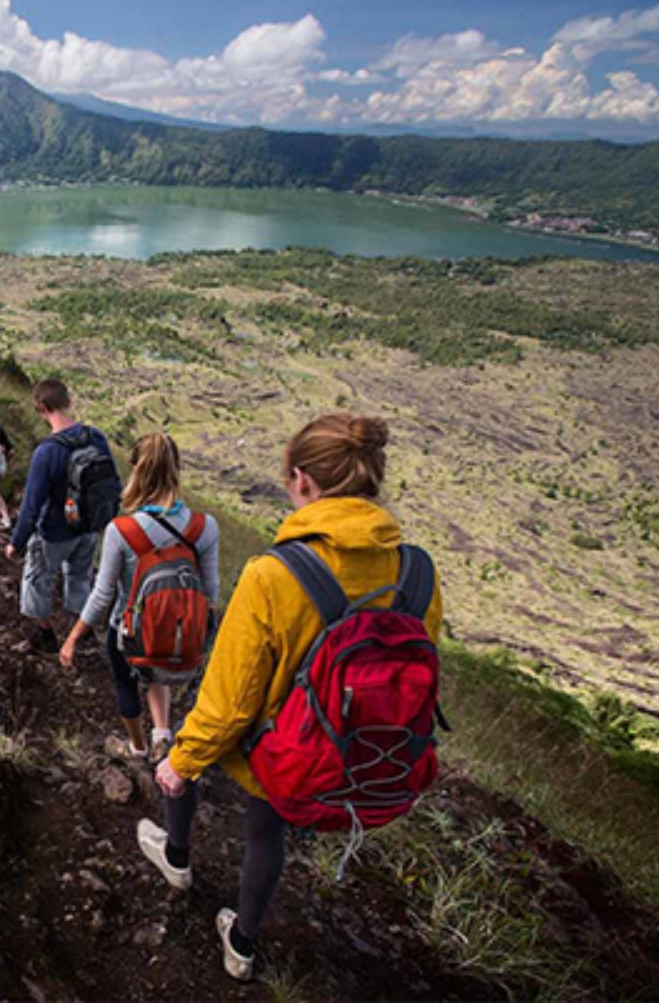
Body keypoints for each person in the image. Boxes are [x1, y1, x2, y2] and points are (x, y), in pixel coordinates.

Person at [140, 413, 442, 981]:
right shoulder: (417, 572)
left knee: (188, 750)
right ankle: (243, 945)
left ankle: (176, 857)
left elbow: (228, 702)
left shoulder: (274, 574)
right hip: (358, 753)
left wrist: (182, 764)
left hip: (280, 752)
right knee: (266, 831)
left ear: (302, 481)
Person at [58, 433, 219, 763]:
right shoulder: (206, 528)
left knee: (126, 685)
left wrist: (74, 636)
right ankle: (163, 734)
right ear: (177, 469)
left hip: (128, 632)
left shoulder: (122, 530)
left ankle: (138, 748)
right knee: (160, 665)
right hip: (177, 631)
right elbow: (211, 592)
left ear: (135, 469)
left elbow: (103, 595)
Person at [5, 379, 117, 653]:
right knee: (80, 577)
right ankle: (83, 634)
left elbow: (32, 505)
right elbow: (110, 483)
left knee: (37, 578)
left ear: (41, 408)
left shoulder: (47, 452)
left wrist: (16, 543)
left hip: (55, 531)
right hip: (89, 527)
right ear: (69, 402)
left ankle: (44, 634)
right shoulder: (96, 438)